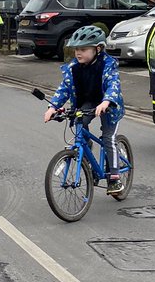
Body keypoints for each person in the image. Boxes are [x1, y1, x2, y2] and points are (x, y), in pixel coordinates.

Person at [43, 25, 126, 193]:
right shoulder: (73, 68)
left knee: (108, 138)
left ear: (98, 49)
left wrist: (107, 101)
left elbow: (113, 85)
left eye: (83, 49)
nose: (78, 53)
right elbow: (64, 89)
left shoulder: (107, 65)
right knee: (79, 125)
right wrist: (53, 107)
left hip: (107, 105)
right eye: (76, 50)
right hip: (87, 102)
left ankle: (115, 178)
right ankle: (85, 150)